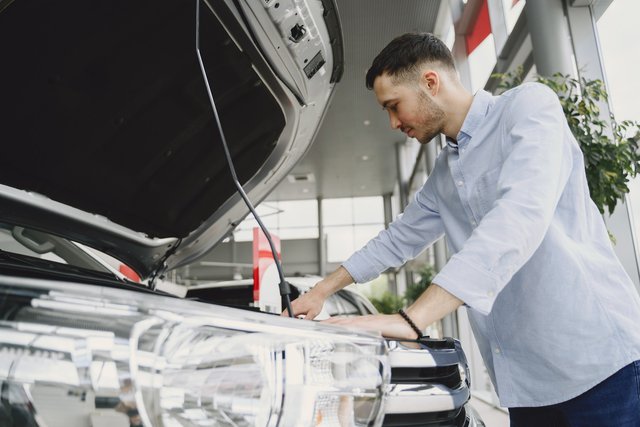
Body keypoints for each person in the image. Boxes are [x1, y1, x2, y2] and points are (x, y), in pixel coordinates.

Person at [284, 32, 640, 426]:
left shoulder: (528, 108)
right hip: (528, 386)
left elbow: (518, 217)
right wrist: (320, 291)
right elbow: (396, 239)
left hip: (602, 366)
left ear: (430, 82)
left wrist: (411, 319)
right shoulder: (443, 175)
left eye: (394, 106)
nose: (392, 122)